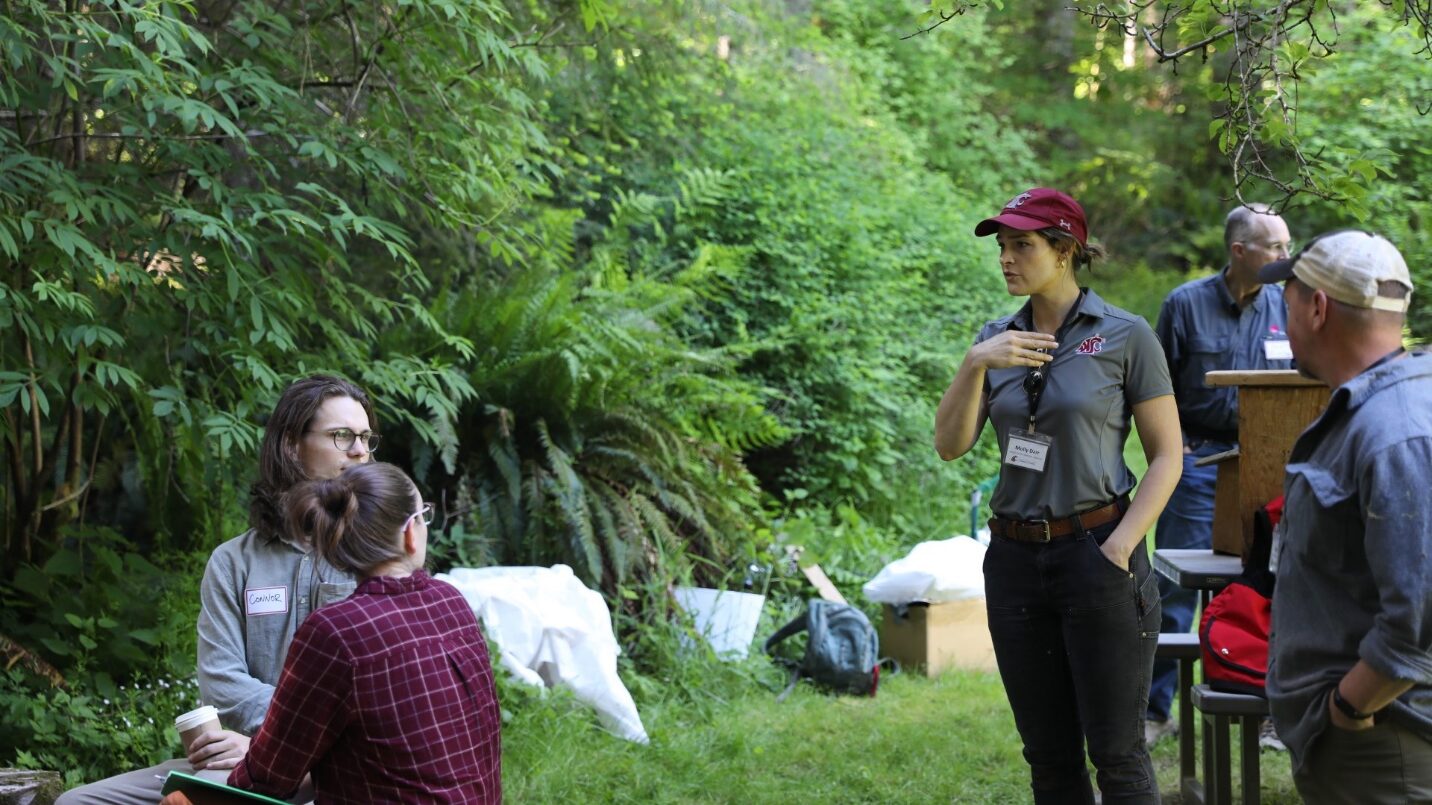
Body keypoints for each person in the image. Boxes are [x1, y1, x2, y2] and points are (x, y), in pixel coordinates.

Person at [935, 187, 1183, 803]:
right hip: (1015, 562)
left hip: (1097, 553)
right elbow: (949, 444)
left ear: (1066, 250)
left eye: (1022, 245)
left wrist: (1120, 547)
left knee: (1118, 754)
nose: (1006, 259)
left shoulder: (1126, 336)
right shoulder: (996, 339)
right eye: (1002, 246)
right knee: (1048, 757)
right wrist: (974, 364)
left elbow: (1168, 457)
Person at [57, 374, 377, 805]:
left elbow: (386, 693)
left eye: (366, 437)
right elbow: (222, 682)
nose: (360, 451)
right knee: (77, 803)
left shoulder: (376, 556)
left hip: (342, 765)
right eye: (343, 436)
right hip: (243, 760)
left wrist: (286, 746)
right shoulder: (233, 562)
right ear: (290, 445)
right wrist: (269, 747)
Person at [1257, 230, 1432, 803]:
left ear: (1317, 306)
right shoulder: (1378, 409)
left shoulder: (1395, 430)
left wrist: (1348, 709)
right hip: (1367, 739)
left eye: (1287, 296)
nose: (1282, 315)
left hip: (1385, 745)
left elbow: (1420, 618)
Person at [229, 462, 501, 801]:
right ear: (409, 534)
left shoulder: (335, 632)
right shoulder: (451, 602)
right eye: (423, 516)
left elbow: (267, 778)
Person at [1144, 203, 1294, 745]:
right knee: (1174, 589)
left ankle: (1266, 709)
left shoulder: (1286, 303)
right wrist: (1173, 445)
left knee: (1268, 587)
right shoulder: (1184, 304)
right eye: (1275, 246)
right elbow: (1153, 385)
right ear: (1240, 251)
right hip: (1200, 463)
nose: (1285, 255)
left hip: (1269, 470)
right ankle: (1155, 710)